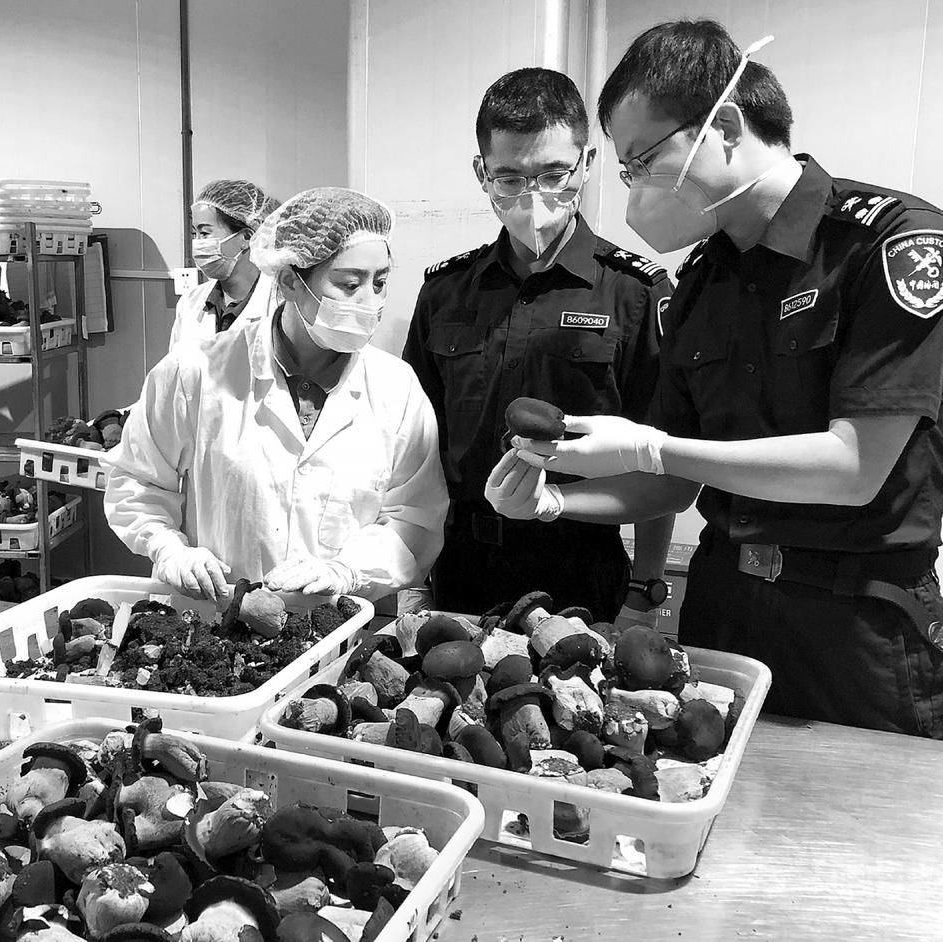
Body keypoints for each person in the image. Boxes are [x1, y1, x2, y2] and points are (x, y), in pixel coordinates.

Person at [490, 20, 943, 737]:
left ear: (724, 127)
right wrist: (552, 503)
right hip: (724, 602)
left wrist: (652, 447)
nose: (637, 190)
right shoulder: (703, 282)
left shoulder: (885, 244)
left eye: (642, 161)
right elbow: (673, 484)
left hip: (857, 617)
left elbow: (854, 468)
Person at [403, 67, 675, 624]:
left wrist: (645, 588)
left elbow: (661, 456)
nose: (533, 196)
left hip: (581, 564)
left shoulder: (634, 293)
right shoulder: (446, 292)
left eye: (554, 173)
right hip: (460, 566)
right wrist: (413, 576)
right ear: (482, 173)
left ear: (587, 163)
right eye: (509, 177)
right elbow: (415, 447)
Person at [104, 187, 449, 603]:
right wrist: (169, 549)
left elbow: (414, 516)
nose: (369, 302)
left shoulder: (396, 387)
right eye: (349, 284)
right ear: (289, 281)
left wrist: (348, 570)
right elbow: (137, 480)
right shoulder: (195, 373)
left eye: (380, 283)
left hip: (336, 625)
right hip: (214, 616)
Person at [177, 179, 281, 347]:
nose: (197, 243)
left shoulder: (279, 305)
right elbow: (175, 362)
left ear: (246, 237)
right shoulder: (190, 302)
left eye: (205, 233)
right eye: (193, 233)